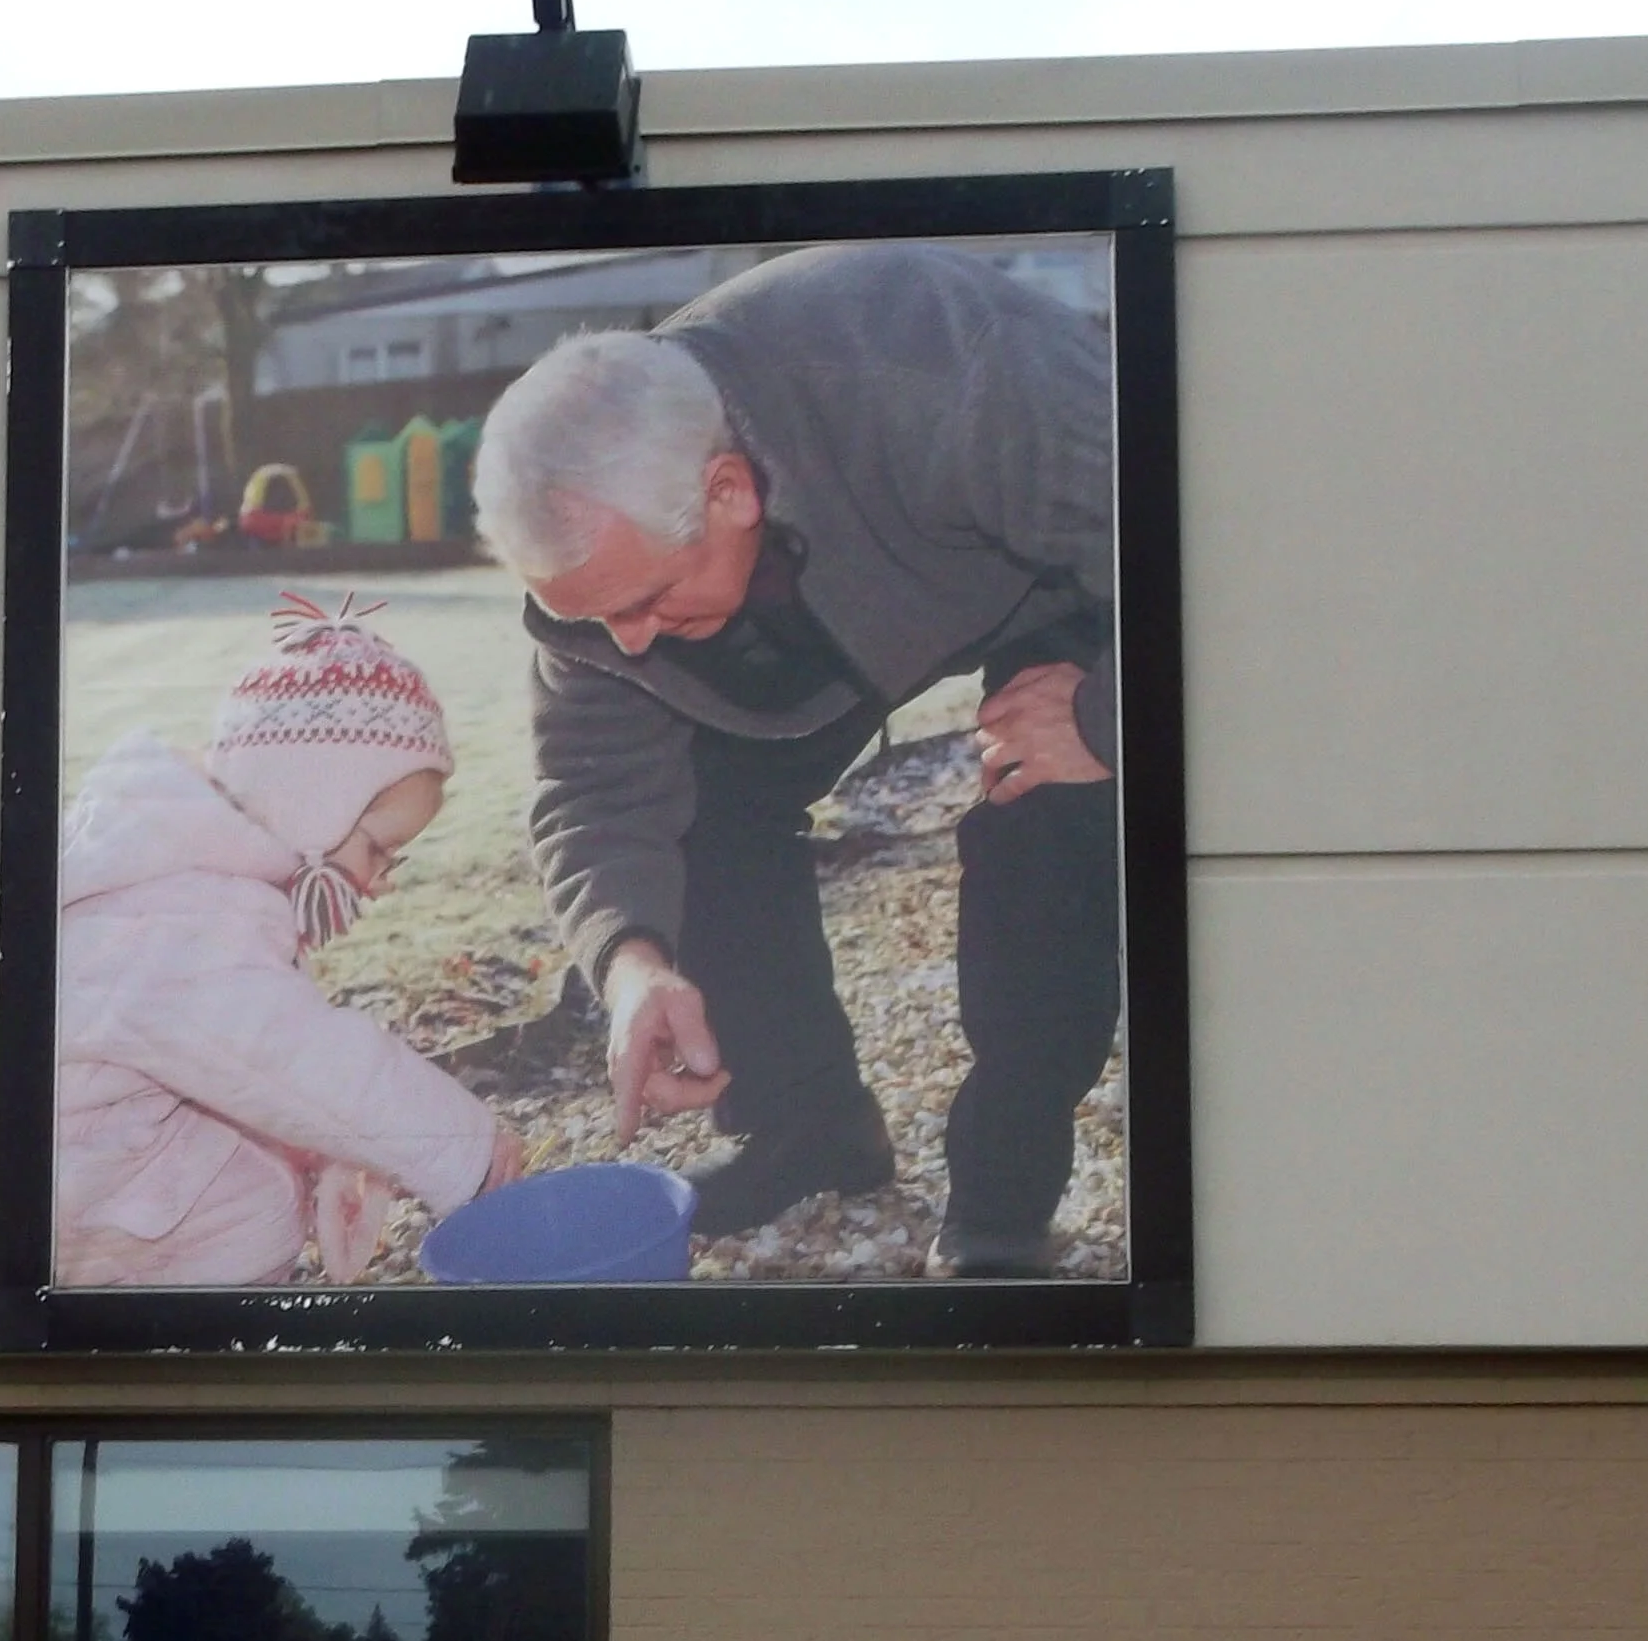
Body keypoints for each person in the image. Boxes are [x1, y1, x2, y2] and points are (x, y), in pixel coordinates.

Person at [472, 242, 1121, 1277]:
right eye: (592, 616)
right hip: (820, 614)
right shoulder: (609, 590)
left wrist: (1101, 715)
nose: (623, 644)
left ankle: (1003, 1195)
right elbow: (592, 789)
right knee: (692, 813)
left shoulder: (949, 366)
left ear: (728, 491)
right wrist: (631, 963)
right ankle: (810, 1129)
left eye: (641, 602)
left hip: (1073, 573)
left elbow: (1214, 541)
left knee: (1037, 807)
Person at [54, 596, 521, 1287]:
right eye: (379, 847)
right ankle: (178, 1347)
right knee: (252, 1212)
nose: (384, 879)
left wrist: (319, 1142)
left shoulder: (179, 857)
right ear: (313, 802)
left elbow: (237, 1056)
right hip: (71, 1183)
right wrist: (466, 1149)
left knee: (262, 1159)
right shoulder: (187, 918)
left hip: (92, 1140)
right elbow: (297, 1057)